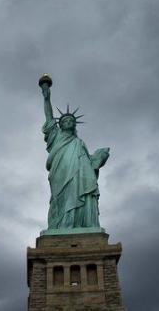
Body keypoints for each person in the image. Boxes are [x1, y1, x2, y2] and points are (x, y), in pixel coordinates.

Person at [39, 76, 110, 230]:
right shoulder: (55, 136)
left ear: (74, 124)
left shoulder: (79, 143)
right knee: (62, 197)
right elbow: (49, 117)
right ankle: (62, 225)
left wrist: (98, 158)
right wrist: (46, 98)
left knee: (79, 192)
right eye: (64, 121)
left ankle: (81, 223)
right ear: (61, 124)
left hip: (79, 173)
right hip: (61, 171)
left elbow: (88, 161)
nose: (68, 122)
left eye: (71, 120)